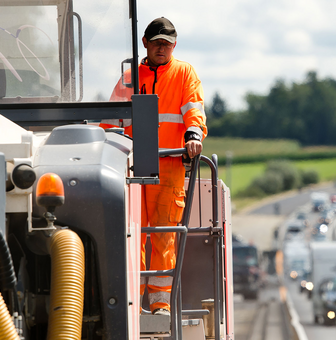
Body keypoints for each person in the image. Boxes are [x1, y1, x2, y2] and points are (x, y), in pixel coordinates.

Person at [103, 17, 207, 316]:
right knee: (133, 233)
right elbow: (112, 122)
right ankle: (133, 305)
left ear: (174, 46)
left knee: (164, 234)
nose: (162, 48)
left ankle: (160, 304)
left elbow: (194, 108)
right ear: (145, 44)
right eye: (157, 42)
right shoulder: (129, 77)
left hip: (171, 165)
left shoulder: (185, 72)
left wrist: (193, 134)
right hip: (134, 168)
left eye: (167, 44)